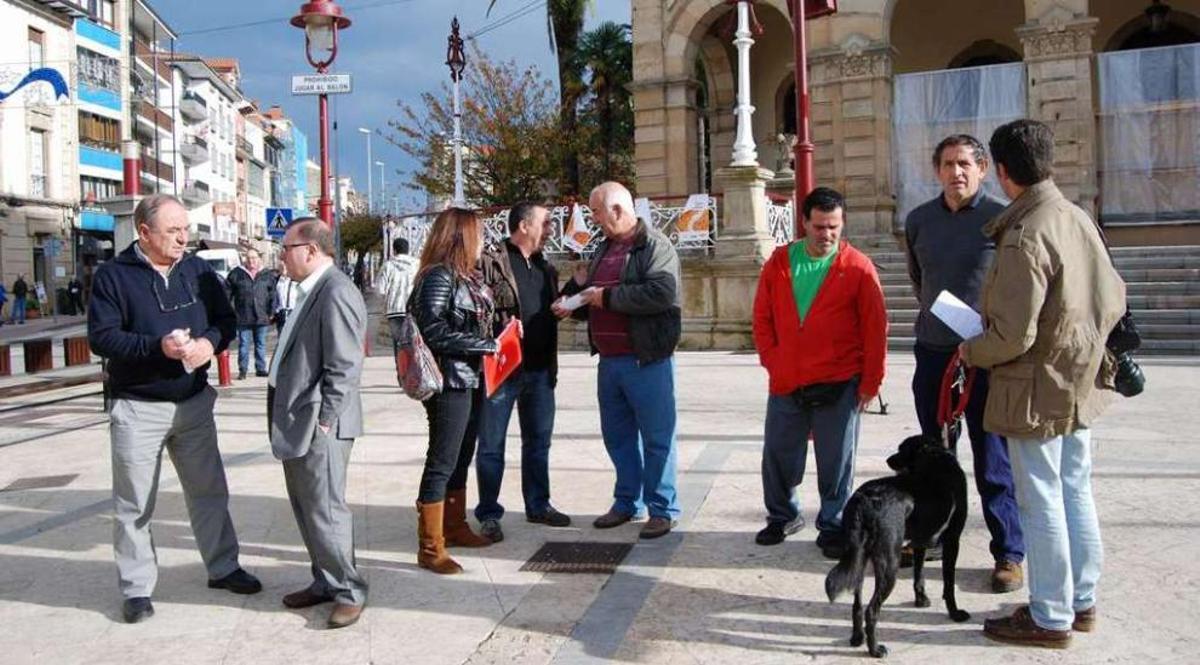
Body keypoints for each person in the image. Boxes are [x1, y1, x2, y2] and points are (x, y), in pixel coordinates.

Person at [964, 120, 1126, 649]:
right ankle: (1081, 601)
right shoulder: (1075, 216)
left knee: (1041, 500)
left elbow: (1012, 335)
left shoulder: (1027, 231)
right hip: (1078, 378)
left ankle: (1050, 615)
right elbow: (1114, 298)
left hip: (1035, 386)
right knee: (1075, 490)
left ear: (1003, 171)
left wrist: (970, 349)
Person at [87, 194, 261, 624]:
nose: (183, 238)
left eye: (185, 229)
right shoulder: (113, 276)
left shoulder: (198, 270)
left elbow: (226, 320)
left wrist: (209, 344)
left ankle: (223, 568)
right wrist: (156, 347)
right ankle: (136, 588)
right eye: (172, 231)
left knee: (209, 491)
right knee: (134, 503)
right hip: (138, 406)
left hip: (194, 403)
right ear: (144, 233)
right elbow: (102, 338)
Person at [904, 134, 1026, 593]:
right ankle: (930, 536)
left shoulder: (1002, 219)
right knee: (934, 456)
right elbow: (921, 281)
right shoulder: (918, 220)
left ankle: (1008, 553)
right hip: (934, 351)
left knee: (992, 458)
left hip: (986, 358)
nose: (956, 173)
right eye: (948, 164)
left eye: (965, 165)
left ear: (982, 169)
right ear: (936, 170)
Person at [751, 187, 888, 559]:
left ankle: (832, 523)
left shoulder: (859, 267)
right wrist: (773, 361)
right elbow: (762, 319)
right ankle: (782, 516)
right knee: (778, 455)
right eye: (819, 227)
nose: (827, 234)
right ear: (804, 223)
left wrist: (871, 382)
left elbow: (875, 329)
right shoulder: (779, 263)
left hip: (840, 383)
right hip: (787, 381)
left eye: (834, 227)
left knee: (836, 460)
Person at [555, 181, 682, 540]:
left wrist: (605, 298)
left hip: (646, 359)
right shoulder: (603, 248)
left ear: (616, 209)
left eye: (595, 211)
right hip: (610, 361)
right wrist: (572, 301)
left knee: (657, 437)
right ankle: (627, 501)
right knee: (618, 437)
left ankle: (662, 508)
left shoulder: (654, 245)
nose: (592, 218)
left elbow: (661, 292)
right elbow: (596, 298)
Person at [268, 218, 369, 629]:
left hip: (319, 423)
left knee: (325, 509)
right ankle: (325, 580)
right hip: (301, 420)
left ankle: (349, 590)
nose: (281, 256)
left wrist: (325, 420)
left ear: (310, 250)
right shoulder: (311, 290)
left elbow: (345, 365)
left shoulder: (335, 291)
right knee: (307, 508)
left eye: (286, 248)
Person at [474, 203, 570, 543]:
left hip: (541, 369)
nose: (550, 230)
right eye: (545, 223)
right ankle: (488, 513)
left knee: (538, 443)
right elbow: (476, 308)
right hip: (503, 370)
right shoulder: (490, 261)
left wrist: (572, 298)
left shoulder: (546, 267)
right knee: (491, 445)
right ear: (525, 225)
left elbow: (548, 310)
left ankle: (538, 505)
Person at [411, 207, 499, 575]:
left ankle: (455, 525)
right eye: (478, 233)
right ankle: (431, 547)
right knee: (442, 459)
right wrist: (486, 346)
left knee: (462, 455)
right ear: (461, 236)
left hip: (473, 377)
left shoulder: (468, 276)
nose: (484, 240)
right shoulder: (438, 276)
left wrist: (503, 337)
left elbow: (476, 322)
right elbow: (433, 331)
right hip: (449, 380)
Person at [226, 248, 277, 380]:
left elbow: (273, 295)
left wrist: (271, 312)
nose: (251, 261)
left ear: (259, 259)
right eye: (248, 258)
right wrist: (231, 311)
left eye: (254, 258)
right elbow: (227, 294)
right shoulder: (236, 274)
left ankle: (260, 368)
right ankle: (243, 370)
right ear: (245, 259)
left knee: (260, 344)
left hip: (262, 316)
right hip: (243, 316)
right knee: (244, 344)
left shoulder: (267, 275)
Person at [377, 237, 419, 351]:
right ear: (408, 250)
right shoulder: (417, 264)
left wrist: (383, 304)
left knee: (399, 346)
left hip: (394, 311)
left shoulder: (388, 265)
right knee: (414, 344)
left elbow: (381, 290)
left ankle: (400, 367)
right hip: (413, 310)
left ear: (394, 250)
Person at [273, 262, 297, 335]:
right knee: (281, 337)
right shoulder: (276, 281)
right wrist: (275, 310)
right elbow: (274, 296)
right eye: (282, 267)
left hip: (293, 311)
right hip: (281, 312)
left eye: (286, 267)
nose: (284, 269)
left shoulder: (295, 280)